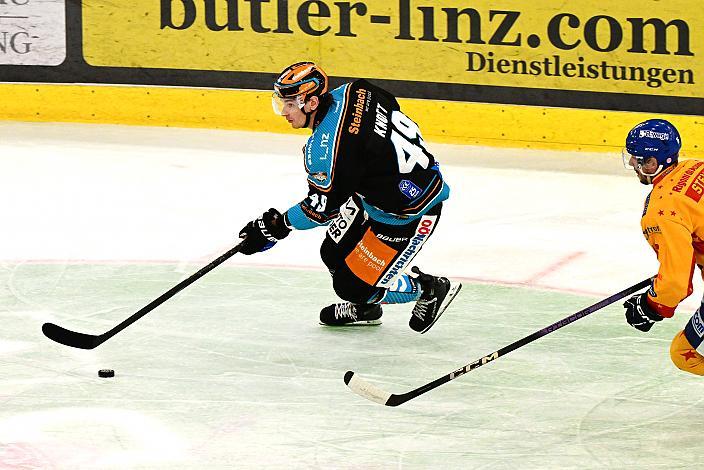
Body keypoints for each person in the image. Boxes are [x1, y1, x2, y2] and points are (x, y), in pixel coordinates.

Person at [237, 61, 461, 333]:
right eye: (281, 103)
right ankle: (367, 309)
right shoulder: (357, 90)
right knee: (332, 253)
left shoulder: (326, 150)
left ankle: (427, 288)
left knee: (350, 287)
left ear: (311, 102)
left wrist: (276, 227)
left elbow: (320, 211)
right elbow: (389, 112)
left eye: (290, 105)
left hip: (407, 213)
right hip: (375, 193)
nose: (284, 112)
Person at [622, 118, 704, 375]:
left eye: (638, 159)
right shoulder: (695, 167)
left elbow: (675, 284)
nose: (634, 165)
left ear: (654, 163)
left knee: (683, 353)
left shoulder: (661, 211)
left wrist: (650, 306)